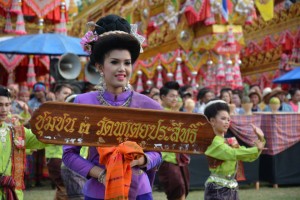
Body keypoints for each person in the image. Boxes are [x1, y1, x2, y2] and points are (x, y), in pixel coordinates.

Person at [62, 14, 162, 200]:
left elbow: (159, 150)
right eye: (114, 62)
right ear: (100, 66)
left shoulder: (149, 106)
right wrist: (100, 173)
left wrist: (144, 159)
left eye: (127, 63)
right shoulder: (83, 103)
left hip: (138, 189)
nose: (122, 69)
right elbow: (69, 154)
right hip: (98, 190)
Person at [203, 100, 266, 200]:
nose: (227, 122)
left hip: (231, 186)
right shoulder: (213, 143)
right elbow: (232, 153)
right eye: (223, 118)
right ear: (212, 121)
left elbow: (249, 157)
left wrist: (261, 139)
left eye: (228, 119)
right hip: (217, 188)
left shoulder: (229, 141)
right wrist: (256, 148)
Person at [0, 86, 46, 200]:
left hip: (12, 192)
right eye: (0, 105)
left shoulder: (15, 131)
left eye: (7, 105)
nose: (4, 109)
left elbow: (41, 139)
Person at [158, 81, 190, 200]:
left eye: (177, 96)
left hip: (179, 158)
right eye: (172, 96)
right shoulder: (159, 112)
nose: (175, 99)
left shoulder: (178, 113)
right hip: (166, 158)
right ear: (163, 97)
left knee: (183, 190)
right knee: (177, 191)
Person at [45, 84, 73, 200]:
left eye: (70, 93)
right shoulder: (50, 110)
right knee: (65, 189)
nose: (68, 96)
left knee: (64, 190)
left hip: (71, 156)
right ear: (56, 94)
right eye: (65, 93)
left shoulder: (72, 110)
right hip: (56, 156)